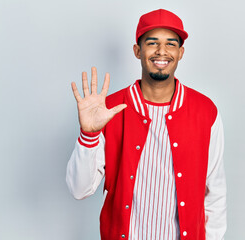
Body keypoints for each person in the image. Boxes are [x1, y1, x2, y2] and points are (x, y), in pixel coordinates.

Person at [66, 9, 227, 240]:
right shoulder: (109, 109)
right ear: (137, 50)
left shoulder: (205, 111)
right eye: (152, 43)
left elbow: (215, 192)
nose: (162, 51)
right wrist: (88, 134)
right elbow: (79, 189)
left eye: (170, 44)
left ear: (180, 52)